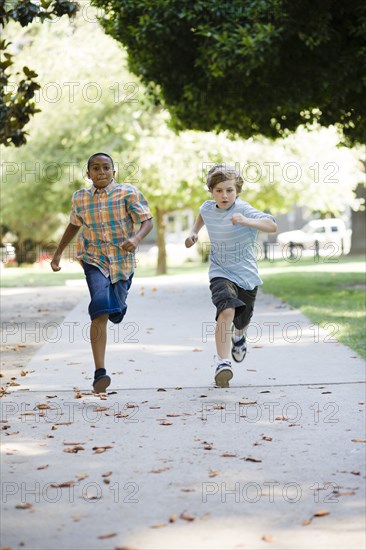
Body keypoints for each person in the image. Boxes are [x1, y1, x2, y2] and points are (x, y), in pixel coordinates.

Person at [51, 152, 153, 393]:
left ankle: (115, 306)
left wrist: (136, 238)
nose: (101, 172)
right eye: (95, 168)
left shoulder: (128, 193)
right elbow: (73, 226)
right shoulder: (80, 198)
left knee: (113, 310)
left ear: (113, 172)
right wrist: (58, 253)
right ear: (88, 174)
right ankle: (100, 373)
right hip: (93, 258)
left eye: (106, 167)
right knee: (99, 311)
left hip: (122, 261)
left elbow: (147, 220)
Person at [185, 164, 277, 388]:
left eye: (229, 190)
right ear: (211, 191)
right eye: (218, 191)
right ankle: (222, 363)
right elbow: (201, 215)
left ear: (237, 191)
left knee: (241, 320)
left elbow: (272, 225)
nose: (224, 195)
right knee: (226, 310)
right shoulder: (207, 208)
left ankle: (239, 337)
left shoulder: (244, 209)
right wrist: (193, 233)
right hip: (220, 271)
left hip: (246, 275)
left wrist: (246, 221)